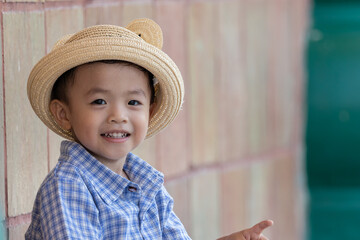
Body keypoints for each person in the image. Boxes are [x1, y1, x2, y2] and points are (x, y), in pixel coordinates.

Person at [25, 18, 273, 239]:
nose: (118, 116)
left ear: (150, 111)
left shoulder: (147, 185)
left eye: (133, 102)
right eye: (99, 101)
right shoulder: (68, 187)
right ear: (63, 114)